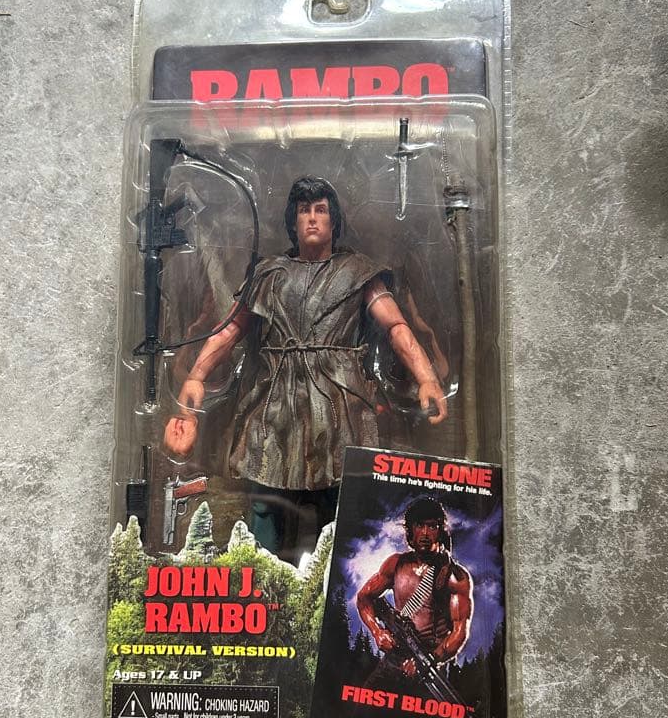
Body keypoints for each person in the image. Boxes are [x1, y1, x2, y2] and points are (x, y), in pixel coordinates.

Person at [164, 177, 447, 553]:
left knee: (341, 507)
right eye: (303, 211)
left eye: (320, 210)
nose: (312, 218)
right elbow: (230, 329)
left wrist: (427, 378)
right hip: (275, 405)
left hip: (338, 404)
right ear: (293, 221)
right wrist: (197, 377)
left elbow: (396, 326)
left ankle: (336, 579)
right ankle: (263, 577)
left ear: (333, 221)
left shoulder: (358, 272)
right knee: (265, 501)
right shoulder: (268, 274)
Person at [356, 497, 473, 687]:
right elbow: (364, 598)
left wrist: (429, 661)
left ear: (441, 531)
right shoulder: (396, 564)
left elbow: (459, 632)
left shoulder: (453, 576)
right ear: (410, 530)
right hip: (395, 656)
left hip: (430, 665)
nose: (425, 533)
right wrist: (377, 632)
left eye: (432, 526)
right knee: (361, 703)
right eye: (419, 525)